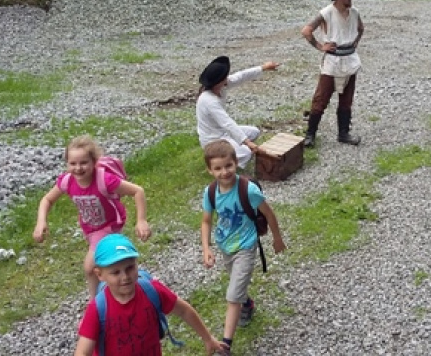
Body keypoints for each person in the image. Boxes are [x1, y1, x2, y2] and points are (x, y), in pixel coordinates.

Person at [33, 135, 152, 299]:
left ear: (94, 162)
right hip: (90, 228)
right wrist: (41, 222)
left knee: (90, 267)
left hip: (110, 225)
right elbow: (47, 199)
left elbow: (137, 191)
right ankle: (124, 286)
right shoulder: (68, 181)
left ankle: (94, 302)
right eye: (72, 163)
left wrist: (141, 220)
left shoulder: (105, 180)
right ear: (66, 164)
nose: (78, 168)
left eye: (84, 163)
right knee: (109, 262)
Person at [74, 234, 229, 356]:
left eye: (129, 268)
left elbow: (184, 310)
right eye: (115, 272)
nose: (125, 276)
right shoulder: (98, 309)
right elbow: (83, 351)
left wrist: (208, 338)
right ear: (99, 274)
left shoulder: (152, 291)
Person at [200, 140, 286, 352]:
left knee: (232, 296)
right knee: (237, 285)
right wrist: (206, 247)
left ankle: (226, 344)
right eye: (218, 168)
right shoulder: (210, 193)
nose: (224, 172)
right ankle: (247, 303)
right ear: (209, 170)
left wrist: (277, 238)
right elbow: (206, 221)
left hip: (246, 246)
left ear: (236, 162)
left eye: (228, 165)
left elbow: (268, 213)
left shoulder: (249, 190)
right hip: (225, 246)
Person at [300, 0, 364, 147]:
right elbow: (306, 31)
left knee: (346, 99)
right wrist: (321, 46)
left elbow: (361, 29)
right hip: (332, 62)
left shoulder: (354, 12)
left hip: (349, 60)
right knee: (321, 99)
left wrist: (354, 43)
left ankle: (343, 133)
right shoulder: (327, 13)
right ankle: (310, 134)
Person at [196, 56, 280, 168]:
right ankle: (225, 164)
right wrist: (248, 144)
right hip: (212, 140)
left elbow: (241, 76)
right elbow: (227, 123)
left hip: (223, 133)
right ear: (218, 81)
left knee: (254, 132)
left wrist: (263, 67)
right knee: (246, 153)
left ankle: (232, 152)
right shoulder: (209, 101)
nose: (227, 78)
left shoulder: (221, 86)